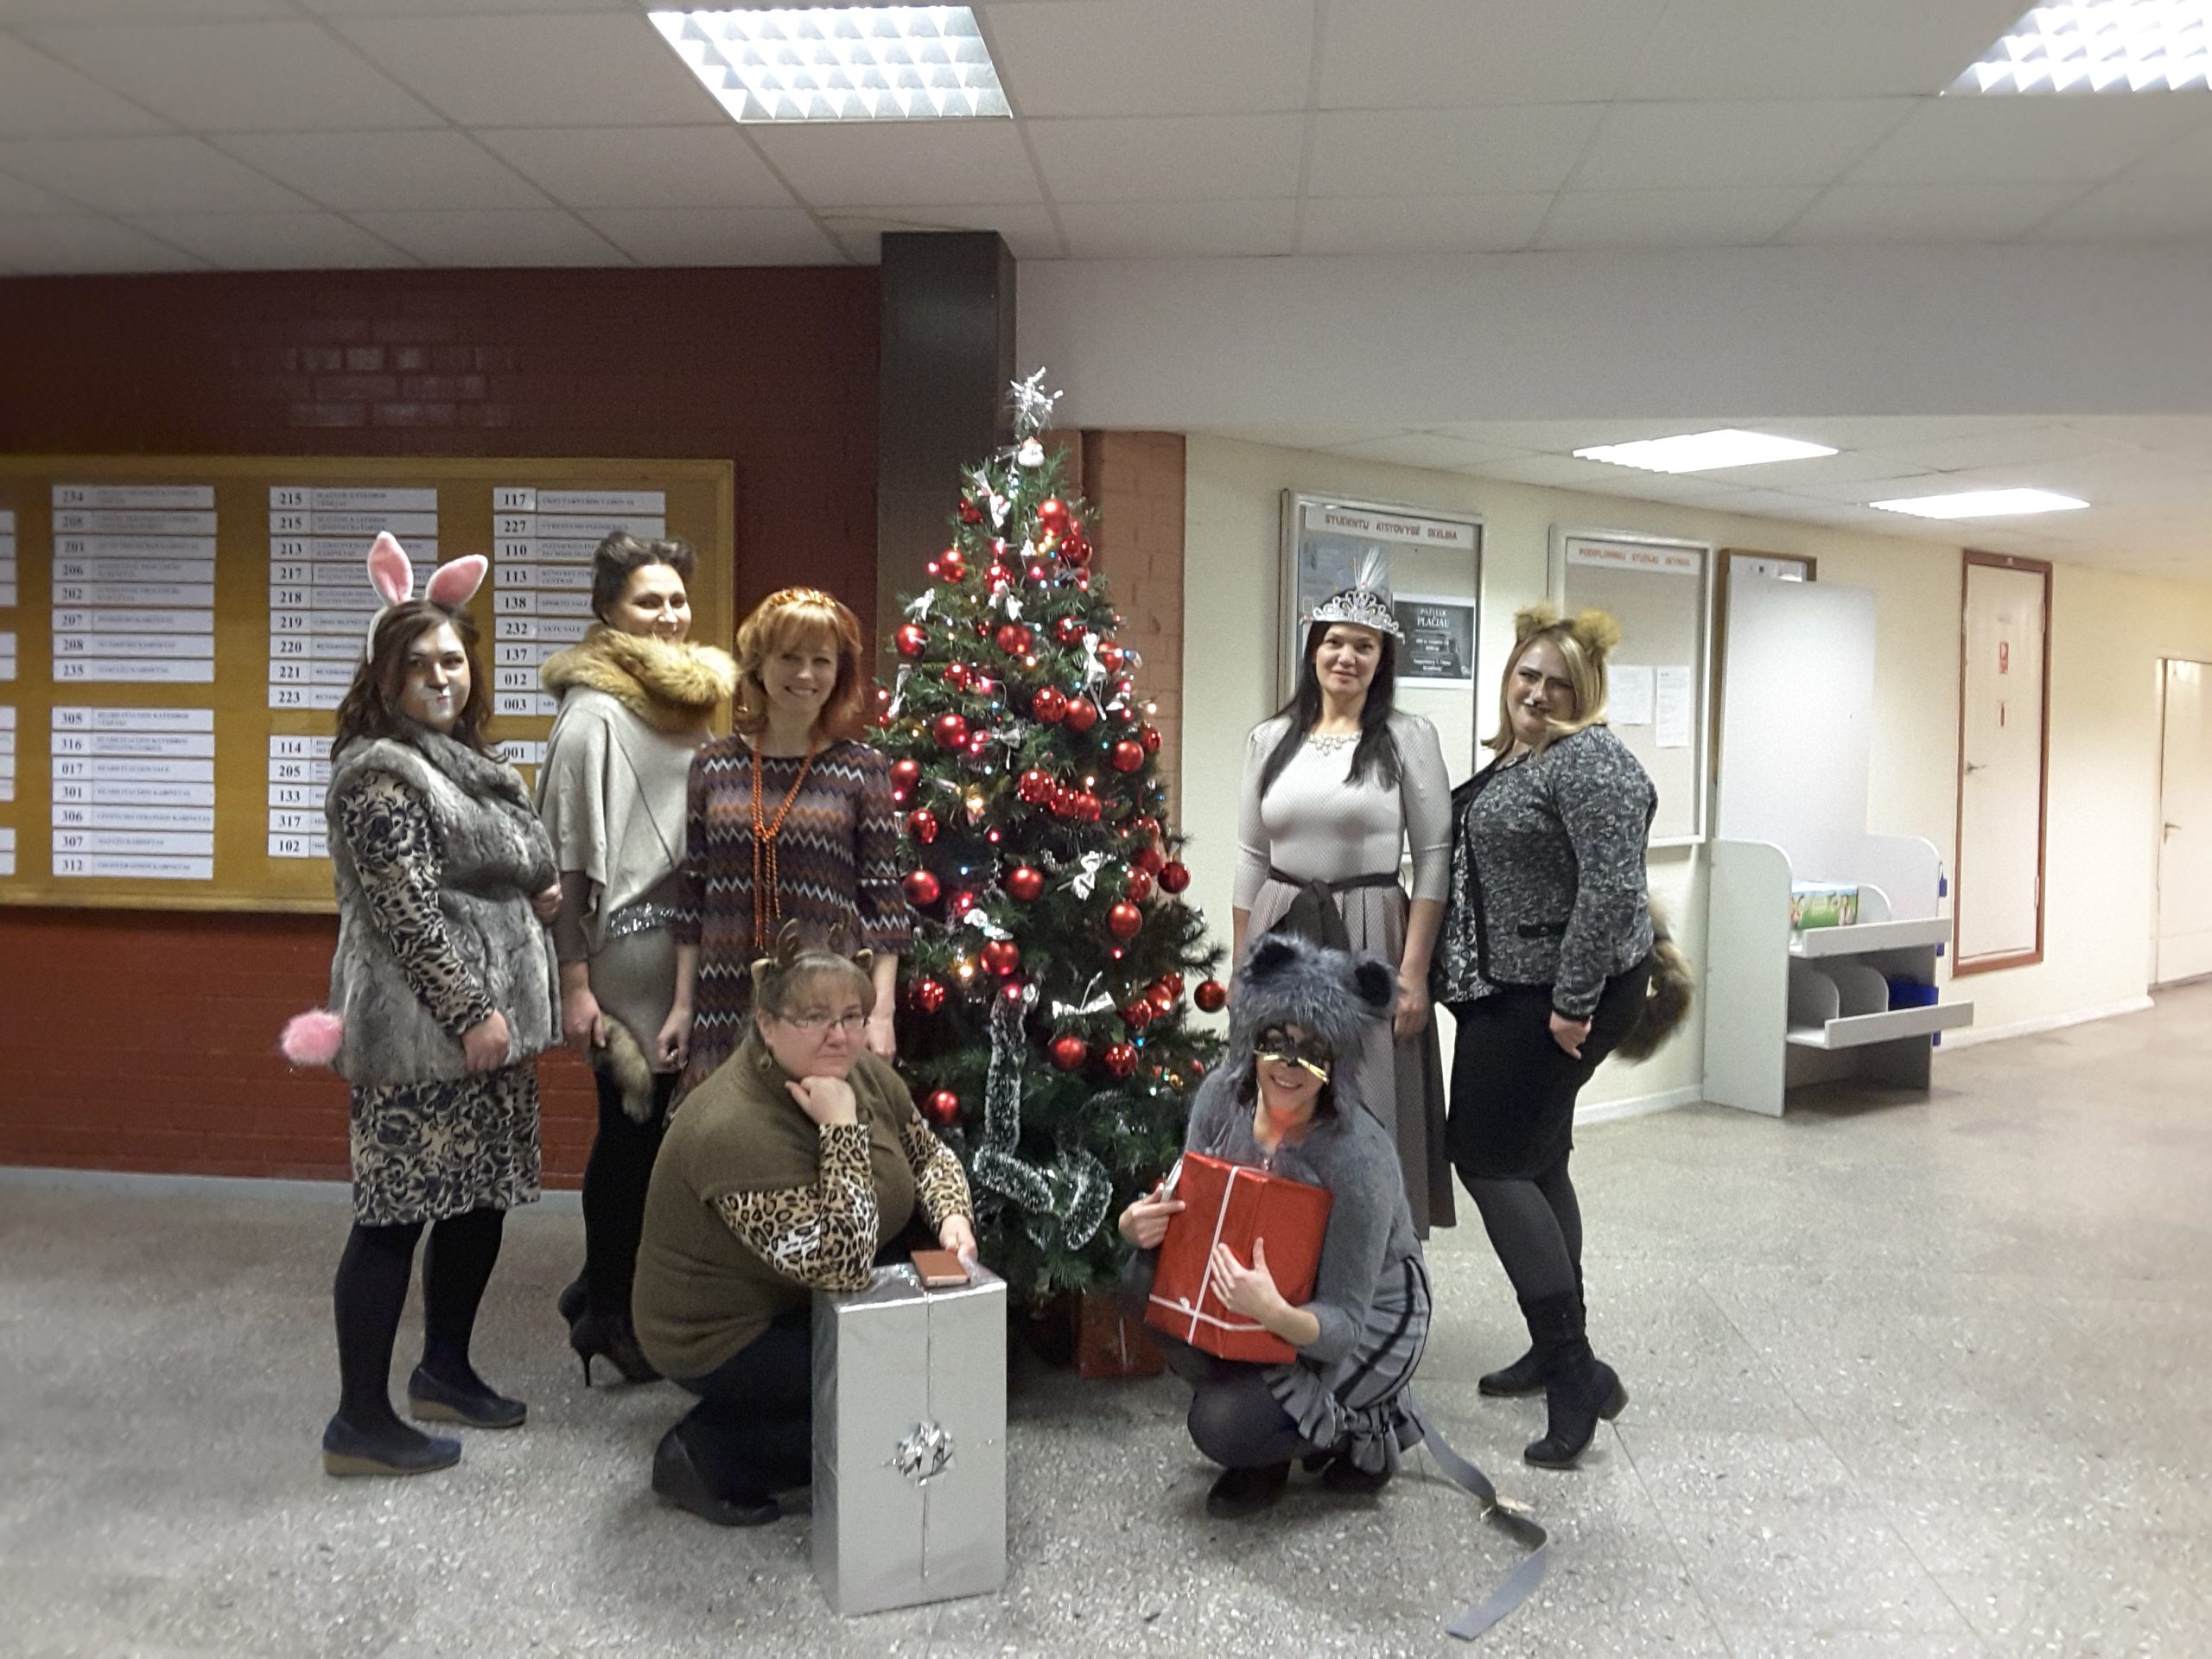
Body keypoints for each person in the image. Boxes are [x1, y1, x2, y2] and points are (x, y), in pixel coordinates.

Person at [307, 552, 561, 1478]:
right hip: (424, 1037)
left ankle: (445, 1370)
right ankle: (359, 1420)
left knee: (477, 1201)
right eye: (418, 665)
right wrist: (470, 1011)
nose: (440, 678)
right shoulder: (381, 777)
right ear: (385, 680)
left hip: (489, 1036)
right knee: (393, 1217)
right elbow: (403, 913)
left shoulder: (467, 764)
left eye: (452, 661)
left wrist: (532, 893)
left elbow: (501, 862)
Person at [1433, 602, 1691, 1469]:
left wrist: (1573, 1002)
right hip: (1512, 989)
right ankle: (1556, 1351)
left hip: (1550, 997)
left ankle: (1575, 1368)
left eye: (1558, 683)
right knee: (1539, 1161)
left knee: (1489, 1160)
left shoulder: (1591, 762)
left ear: (1587, 692)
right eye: (1527, 675)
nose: (1537, 693)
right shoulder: (1525, 755)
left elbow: (1611, 892)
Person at [632, 931, 976, 1526]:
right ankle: (705, 1454)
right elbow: (841, 1261)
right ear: (767, 1024)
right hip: (725, 1332)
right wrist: (840, 1127)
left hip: (799, 1291)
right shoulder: (732, 1127)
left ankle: (785, 1418)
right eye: (814, 1018)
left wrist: (951, 1214)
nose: (839, 1035)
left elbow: (926, 1154)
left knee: (914, 1377)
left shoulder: (861, 1072)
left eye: (851, 1016)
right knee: (879, 1415)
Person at [1119, 931, 1429, 1519]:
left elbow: (1343, 1323)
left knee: (1220, 1424)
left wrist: (1274, 1316)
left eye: (1313, 1050)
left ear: (1337, 1063)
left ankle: (1359, 1426)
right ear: (1252, 1038)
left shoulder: (1358, 1157)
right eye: (1277, 1042)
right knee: (1142, 1276)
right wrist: (1139, 1226)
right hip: (1258, 1284)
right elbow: (1190, 1219)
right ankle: (1268, 1427)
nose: (1289, 1066)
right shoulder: (1221, 1099)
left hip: (1361, 1313)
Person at [535, 532, 736, 1386]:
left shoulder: (682, 704)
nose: (668, 615)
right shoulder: (593, 718)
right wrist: (575, 987)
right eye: (647, 601)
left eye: (677, 599)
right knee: (631, 1136)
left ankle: (597, 1285)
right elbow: (564, 868)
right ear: (608, 612)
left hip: (682, 948)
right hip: (624, 959)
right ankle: (611, 1315)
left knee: (654, 1138)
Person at [1232, 581, 1454, 1234]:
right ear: (1313, 650)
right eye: (1334, 642)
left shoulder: (1408, 738)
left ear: (1383, 658)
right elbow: (1249, 856)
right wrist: (1243, 964)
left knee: (1368, 1091)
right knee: (1279, 1083)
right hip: (1281, 926)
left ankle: (1375, 1244)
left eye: (1364, 645)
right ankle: (1282, 1236)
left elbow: (1434, 856)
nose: (1346, 657)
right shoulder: (1270, 738)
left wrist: (1413, 974)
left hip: (1369, 929)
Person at [669, 588, 911, 1097]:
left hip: (824, 1004)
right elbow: (693, 896)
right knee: (725, 1134)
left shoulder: (861, 769)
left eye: (821, 660)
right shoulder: (712, 766)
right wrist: (682, 1007)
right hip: (724, 997)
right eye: (789, 657)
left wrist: (881, 1014)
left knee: (815, 1127)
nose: (805, 674)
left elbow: (884, 901)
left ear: (839, 673)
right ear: (759, 665)